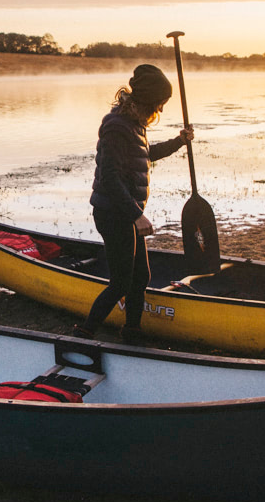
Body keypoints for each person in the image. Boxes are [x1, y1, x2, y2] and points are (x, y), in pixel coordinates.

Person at [74, 63, 194, 343]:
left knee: (141, 277)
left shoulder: (133, 124)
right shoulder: (117, 127)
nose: (161, 110)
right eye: (160, 103)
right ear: (147, 101)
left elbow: (145, 154)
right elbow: (110, 178)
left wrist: (179, 142)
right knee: (121, 282)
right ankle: (84, 332)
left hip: (125, 213)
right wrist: (136, 215)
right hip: (113, 213)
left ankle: (132, 330)